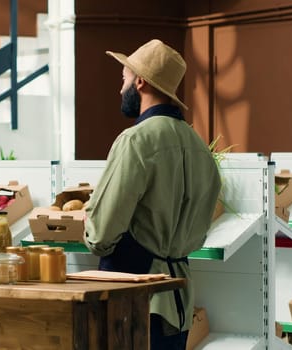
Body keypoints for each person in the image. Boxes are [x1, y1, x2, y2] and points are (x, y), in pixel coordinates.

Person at [83, 39, 221, 349]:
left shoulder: (136, 141)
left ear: (140, 81)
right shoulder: (201, 149)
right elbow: (198, 235)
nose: (121, 89)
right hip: (180, 303)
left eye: (124, 79)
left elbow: (100, 234)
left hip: (133, 300)